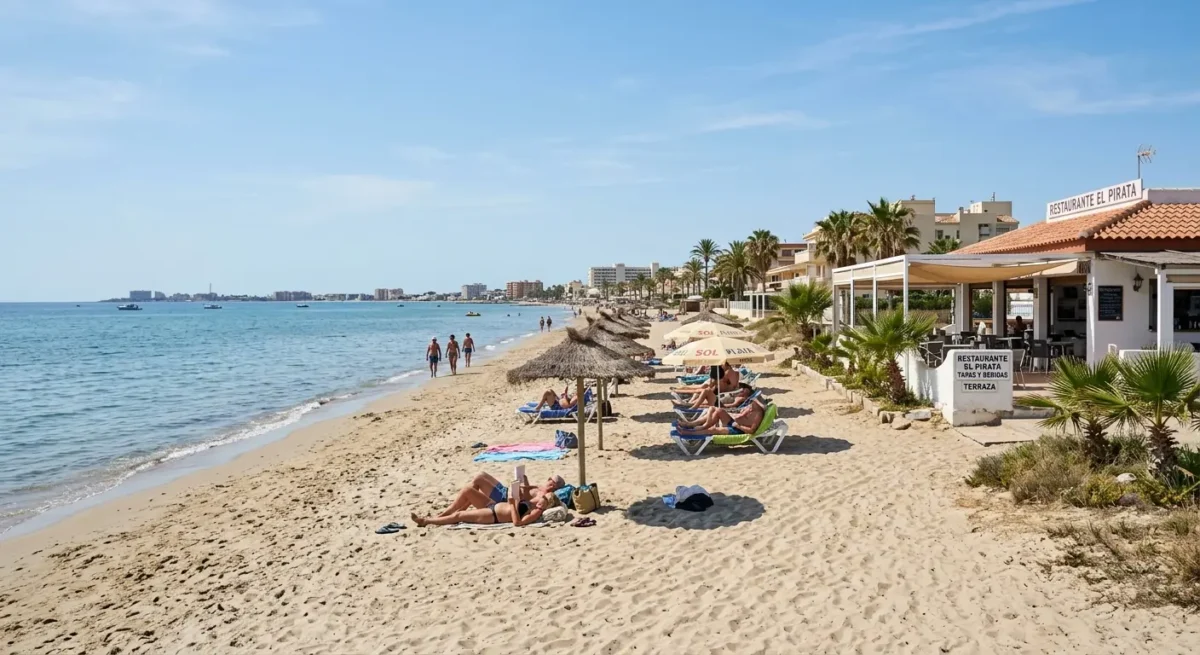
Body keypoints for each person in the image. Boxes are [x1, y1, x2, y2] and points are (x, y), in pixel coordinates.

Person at [433, 471, 565, 518]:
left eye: (552, 483)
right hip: (507, 490)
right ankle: (463, 506)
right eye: (549, 480)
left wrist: (520, 488)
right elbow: (527, 490)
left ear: (554, 487)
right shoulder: (541, 488)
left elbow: (525, 500)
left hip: (504, 498)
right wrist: (523, 479)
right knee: (481, 475)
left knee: (478, 480)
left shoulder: (543, 496)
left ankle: (456, 509)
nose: (549, 483)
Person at [413, 487, 561, 528]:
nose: (542, 500)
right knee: (468, 491)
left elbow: (517, 523)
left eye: (545, 501)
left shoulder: (536, 512)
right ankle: (442, 516)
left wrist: (513, 504)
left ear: (547, 506)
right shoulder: (534, 502)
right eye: (543, 497)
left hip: (492, 516)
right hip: (493, 506)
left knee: (459, 517)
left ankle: (426, 521)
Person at [676, 398, 768, 436]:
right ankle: (691, 424)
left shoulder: (758, 415)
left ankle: (688, 432)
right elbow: (740, 412)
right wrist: (740, 413)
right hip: (732, 422)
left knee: (713, 430)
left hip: (738, 429)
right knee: (717, 410)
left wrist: (738, 426)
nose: (750, 404)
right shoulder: (751, 408)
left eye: (753, 402)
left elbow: (752, 431)